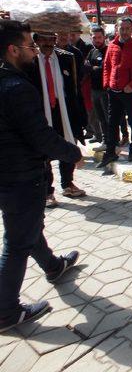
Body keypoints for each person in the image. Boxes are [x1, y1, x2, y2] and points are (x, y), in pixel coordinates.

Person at [0, 20, 81, 332]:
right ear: (12, 49)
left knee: (26, 228)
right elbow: (40, 136)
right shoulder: (17, 88)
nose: (34, 52)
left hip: (10, 176)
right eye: (29, 46)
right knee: (17, 242)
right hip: (21, 178)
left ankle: (53, 266)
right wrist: (73, 153)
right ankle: (7, 311)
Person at [31, 32, 86, 207]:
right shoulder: (30, 61)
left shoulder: (67, 58)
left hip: (64, 111)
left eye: (51, 39)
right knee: (44, 150)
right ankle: (47, 190)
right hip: (42, 111)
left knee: (68, 144)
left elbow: (75, 88)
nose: (47, 43)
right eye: (43, 39)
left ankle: (67, 183)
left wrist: (80, 114)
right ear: (37, 40)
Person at [98, 18, 132, 167]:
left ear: (131, 30)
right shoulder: (112, 46)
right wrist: (107, 84)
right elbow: (107, 66)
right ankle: (110, 152)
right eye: (121, 28)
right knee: (112, 123)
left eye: (127, 28)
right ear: (117, 29)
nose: (124, 31)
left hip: (129, 91)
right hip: (114, 91)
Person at [85, 26, 108, 149]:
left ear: (104, 37)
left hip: (105, 90)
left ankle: (111, 142)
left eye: (99, 37)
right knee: (100, 118)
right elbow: (85, 66)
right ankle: (105, 141)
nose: (97, 40)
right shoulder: (92, 51)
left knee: (107, 118)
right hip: (94, 90)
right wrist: (93, 68)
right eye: (94, 38)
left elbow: (102, 69)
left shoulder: (108, 50)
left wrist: (92, 68)